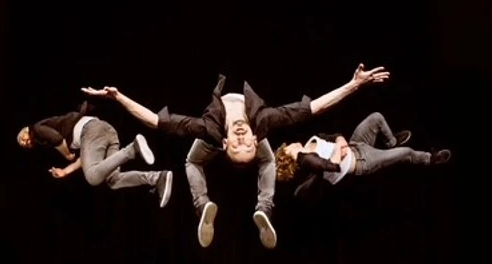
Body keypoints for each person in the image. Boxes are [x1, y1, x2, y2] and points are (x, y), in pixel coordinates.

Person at [81, 64, 390, 248]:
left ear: (225, 144)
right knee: (266, 159)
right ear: (252, 140)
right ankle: (255, 208)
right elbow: (314, 108)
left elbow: (156, 121)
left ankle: (236, 207)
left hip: (214, 139)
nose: (243, 139)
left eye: (240, 144)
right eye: (246, 144)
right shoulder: (263, 124)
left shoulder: (212, 131)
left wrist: (117, 97)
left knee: (192, 160)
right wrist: (354, 84)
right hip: (252, 141)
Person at [16, 101, 173, 207]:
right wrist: (65, 171)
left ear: (25, 131)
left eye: (22, 139)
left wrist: (67, 155)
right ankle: (157, 178)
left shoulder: (36, 129)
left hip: (90, 130)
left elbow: (57, 140)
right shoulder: (48, 136)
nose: (24, 143)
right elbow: (86, 158)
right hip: (106, 131)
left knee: (92, 177)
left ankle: (132, 149)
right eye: (23, 145)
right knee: (113, 180)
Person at [274, 112, 451, 198]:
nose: (289, 144)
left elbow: (333, 136)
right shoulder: (305, 159)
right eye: (287, 147)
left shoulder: (309, 143)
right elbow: (333, 166)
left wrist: (340, 141)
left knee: (376, 118)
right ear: (287, 155)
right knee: (407, 153)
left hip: (355, 145)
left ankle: (391, 142)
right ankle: (430, 159)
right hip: (362, 162)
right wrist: (338, 149)